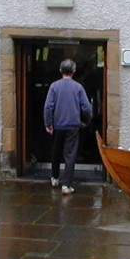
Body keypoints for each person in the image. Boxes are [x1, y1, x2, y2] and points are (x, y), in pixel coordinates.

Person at [43, 58, 92, 195]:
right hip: (73, 126)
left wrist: (48, 123)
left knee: (56, 151)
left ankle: (54, 178)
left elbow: (48, 106)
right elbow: (87, 108)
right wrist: (86, 121)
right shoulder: (78, 87)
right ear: (74, 71)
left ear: (60, 70)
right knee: (70, 155)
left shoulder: (54, 86)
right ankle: (67, 185)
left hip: (57, 125)